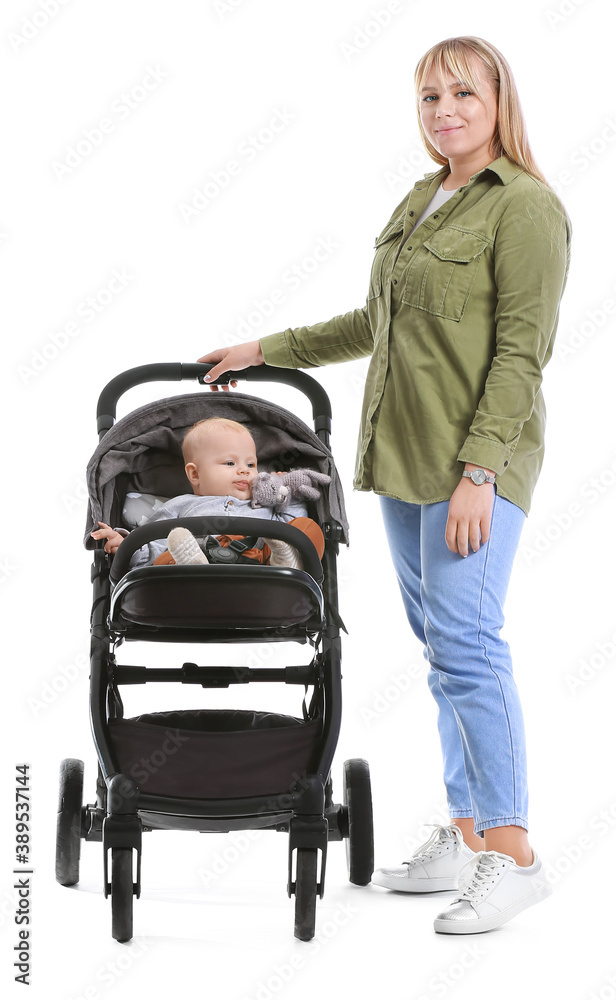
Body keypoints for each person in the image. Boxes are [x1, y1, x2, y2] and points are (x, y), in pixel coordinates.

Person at [196, 36, 571, 934]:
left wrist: (480, 471)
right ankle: (470, 827)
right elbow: (377, 321)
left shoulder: (524, 208)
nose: (444, 111)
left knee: (471, 647)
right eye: (430, 96)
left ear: (498, 101)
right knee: (445, 653)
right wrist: (266, 351)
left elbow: (523, 354)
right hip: (403, 461)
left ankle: (515, 855)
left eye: (463, 95)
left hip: (472, 466)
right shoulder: (423, 197)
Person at [91, 417, 325, 569]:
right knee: (170, 548)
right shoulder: (181, 505)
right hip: (195, 571)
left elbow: (291, 522)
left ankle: (284, 561)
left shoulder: (264, 505)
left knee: (306, 529)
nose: (245, 470)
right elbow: (154, 543)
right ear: (195, 475)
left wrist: (286, 493)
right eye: (230, 463)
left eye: (251, 465)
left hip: (262, 567)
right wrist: (125, 544)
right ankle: (192, 565)